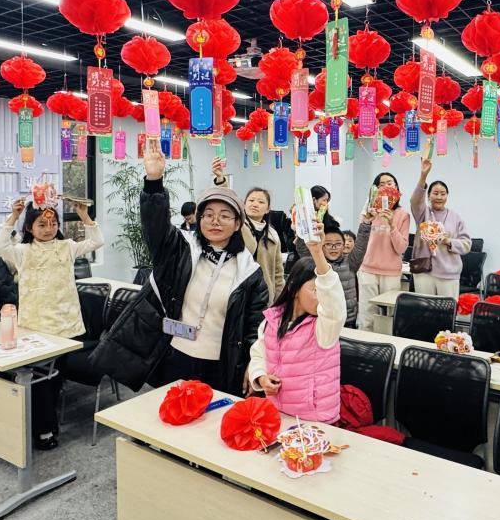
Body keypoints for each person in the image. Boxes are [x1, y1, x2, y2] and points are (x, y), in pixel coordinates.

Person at [93, 141, 267, 394]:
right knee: (169, 413)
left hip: (220, 364)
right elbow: (155, 226)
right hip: (175, 356)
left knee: (212, 418)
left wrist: (254, 362)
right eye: (208, 214)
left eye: (224, 215)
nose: (215, 221)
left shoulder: (249, 272)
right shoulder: (181, 249)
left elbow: (255, 325)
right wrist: (154, 182)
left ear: (238, 223)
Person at [0, 196, 104, 449]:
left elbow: (97, 241)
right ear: (29, 227)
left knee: (56, 378)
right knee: (40, 379)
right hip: (36, 325)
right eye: (42, 225)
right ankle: (43, 429)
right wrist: (13, 216)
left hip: (66, 324)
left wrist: (84, 216)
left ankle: (47, 425)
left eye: (53, 223)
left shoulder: (67, 246)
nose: (49, 229)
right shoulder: (22, 251)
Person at [246, 230, 347, 422]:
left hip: (315, 421)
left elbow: (334, 304)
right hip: (278, 414)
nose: (321, 298)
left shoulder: (324, 327)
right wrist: (261, 377)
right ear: (294, 288)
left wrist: (317, 253)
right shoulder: (271, 321)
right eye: (315, 290)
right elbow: (258, 355)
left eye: (323, 292)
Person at [212, 158, 284, 299]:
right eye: (251, 200)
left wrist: (279, 301)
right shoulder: (237, 225)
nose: (255, 204)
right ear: (244, 204)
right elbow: (229, 199)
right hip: (235, 292)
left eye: (261, 202)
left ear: (268, 209)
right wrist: (221, 179)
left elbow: (278, 272)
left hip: (264, 296)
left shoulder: (272, 235)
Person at [408, 155, 472, 297]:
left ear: (447, 196)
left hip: (448, 274)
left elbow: (467, 244)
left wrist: (448, 241)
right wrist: (423, 175)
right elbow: (415, 200)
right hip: (423, 271)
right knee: (425, 308)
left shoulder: (456, 217)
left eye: (443, 194)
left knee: (447, 309)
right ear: (428, 196)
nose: (439, 197)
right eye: (435, 193)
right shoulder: (422, 213)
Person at [356, 172, 411, 331]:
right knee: (366, 315)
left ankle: (387, 345)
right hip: (368, 270)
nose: (386, 186)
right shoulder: (368, 212)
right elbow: (361, 241)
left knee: (389, 317)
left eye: (390, 183)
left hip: (391, 273)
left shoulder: (402, 215)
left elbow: (401, 248)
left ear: (396, 188)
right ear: (375, 189)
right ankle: (364, 345)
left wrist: (391, 225)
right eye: (381, 184)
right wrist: (368, 218)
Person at [295, 220, 370, 328]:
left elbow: (361, 245)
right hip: (323, 318)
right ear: (321, 245)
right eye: (328, 244)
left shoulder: (351, 262)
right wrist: (303, 226)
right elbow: (302, 248)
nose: (333, 247)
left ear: (344, 246)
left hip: (348, 318)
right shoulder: (317, 262)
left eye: (338, 244)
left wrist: (366, 223)